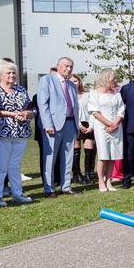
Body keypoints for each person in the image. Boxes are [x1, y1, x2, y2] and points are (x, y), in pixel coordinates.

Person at [0, 60, 36, 207]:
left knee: (15, 165)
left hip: (20, 132)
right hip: (3, 132)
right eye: (8, 73)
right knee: (1, 165)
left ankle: (17, 193)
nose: (12, 75)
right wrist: (12, 114)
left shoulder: (21, 90)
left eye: (14, 72)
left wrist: (26, 113)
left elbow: (32, 109)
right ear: (0, 75)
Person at [37, 56, 81, 198]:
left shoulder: (72, 85)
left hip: (70, 123)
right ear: (58, 66)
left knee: (68, 157)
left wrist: (76, 125)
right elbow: (42, 104)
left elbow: (75, 107)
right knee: (50, 158)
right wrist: (47, 124)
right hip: (53, 125)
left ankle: (66, 186)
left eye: (71, 67)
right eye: (66, 66)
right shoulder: (47, 80)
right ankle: (49, 188)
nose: (68, 69)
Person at [88, 69, 125, 192]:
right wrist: (109, 123)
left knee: (113, 155)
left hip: (116, 128)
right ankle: (100, 181)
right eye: (113, 79)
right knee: (103, 156)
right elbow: (95, 112)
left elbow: (121, 110)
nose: (115, 81)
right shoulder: (94, 93)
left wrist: (115, 123)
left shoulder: (116, 94)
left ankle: (108, 180)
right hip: (102, 128)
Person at [70, 75, 96, 185]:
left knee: (89, 150)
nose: (74, 83)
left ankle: (88, 174)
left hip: (88, 123)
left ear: (79, 82)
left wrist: (90, 126)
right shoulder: (70, 96)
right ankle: (77, 174)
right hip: (75, 123)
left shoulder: (88, 95)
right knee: (76, 150)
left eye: (76, 81)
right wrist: (79, 125)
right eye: (71, 82)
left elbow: (92, 111)